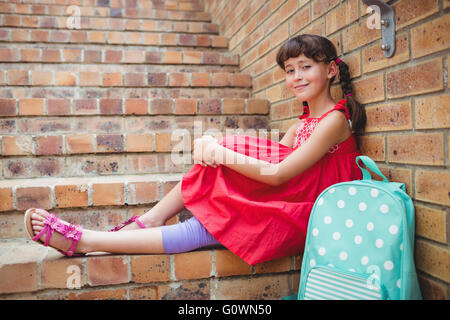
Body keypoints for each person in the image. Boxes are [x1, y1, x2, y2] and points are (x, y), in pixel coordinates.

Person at [24, 34, 366, 265]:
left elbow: (276, 176)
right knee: (227, 176)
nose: (296, 77)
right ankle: (147, 220)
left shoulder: (335, 121)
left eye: (306, 67)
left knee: (208, 220)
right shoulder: (299, 125)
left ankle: (87, 240)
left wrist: (220, 151)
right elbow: (262, 171)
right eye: (290, 71)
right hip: (290, 204)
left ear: (331, 70)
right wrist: (216, 152)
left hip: (308, 216)